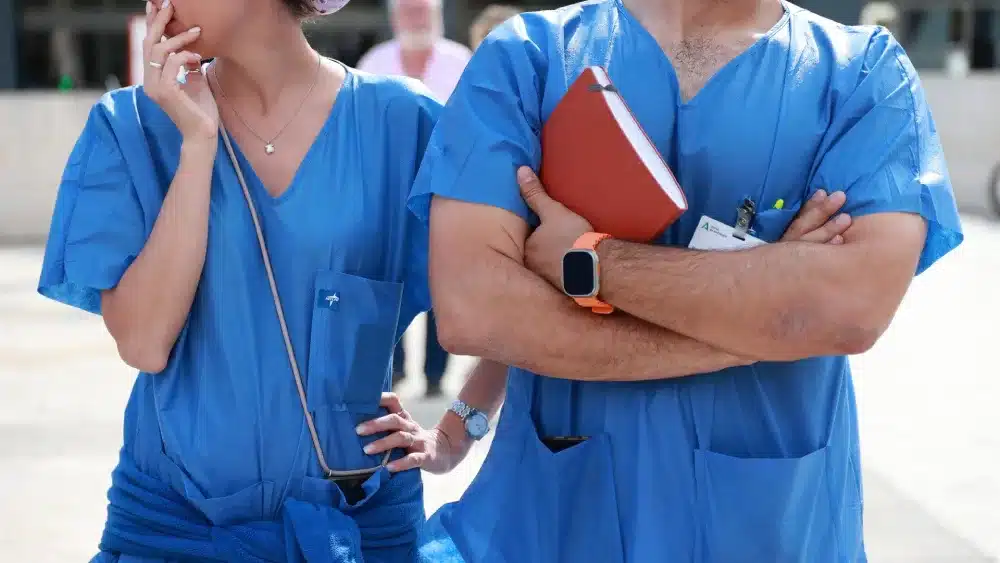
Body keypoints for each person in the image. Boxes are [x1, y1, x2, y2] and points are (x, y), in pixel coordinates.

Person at [363, 0, 964, 561]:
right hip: (554, 513)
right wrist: (764, 316)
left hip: (772, 521)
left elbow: (849, 307)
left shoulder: (861, 73)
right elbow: (476, 309)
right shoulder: (530, 57)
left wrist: (589, 262)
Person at [36, 0, 502, 560]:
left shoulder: (404, 122)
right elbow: (142, 341)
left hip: (358, 530)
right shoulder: (132, 127)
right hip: (174, 533)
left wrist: (454, 435)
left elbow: (517, 297)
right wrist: (197, 145)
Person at [357, 0, 472, 397]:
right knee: (390, 277)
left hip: (446, 190)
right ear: (393, 18)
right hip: (388, 189)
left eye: (423, 11)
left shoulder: (461, 61)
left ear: (437, 16)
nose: (416, 19)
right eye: (408, 12)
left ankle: (437, 374)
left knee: (442, 280)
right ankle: (397, 370)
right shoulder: (374, 61)